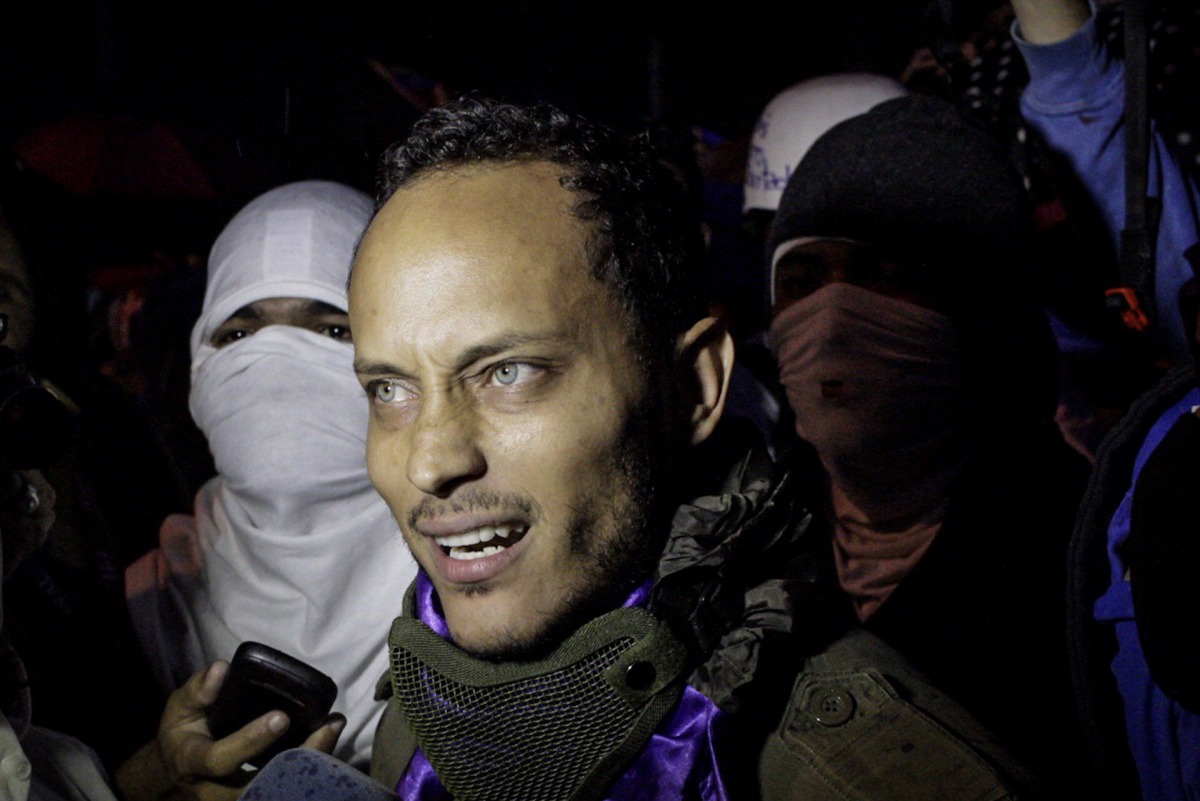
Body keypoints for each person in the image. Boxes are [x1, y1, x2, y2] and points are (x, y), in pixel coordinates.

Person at [350, 95, 1037, 800]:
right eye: (389, 389)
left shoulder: (879, 778)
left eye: (509, 372)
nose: (429, 461)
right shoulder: (423, 715)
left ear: (694, 386)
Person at [764, 92, 1095, 795]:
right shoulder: (742, 534)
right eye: (801, 280)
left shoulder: (1083, 559)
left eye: (886, 276)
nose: (832, 319)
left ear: (984, 319)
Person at [124, 180, 418, 772]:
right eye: (238, 334)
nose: (276, 360)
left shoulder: (477, 581)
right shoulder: (150, 595)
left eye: (333, 329)